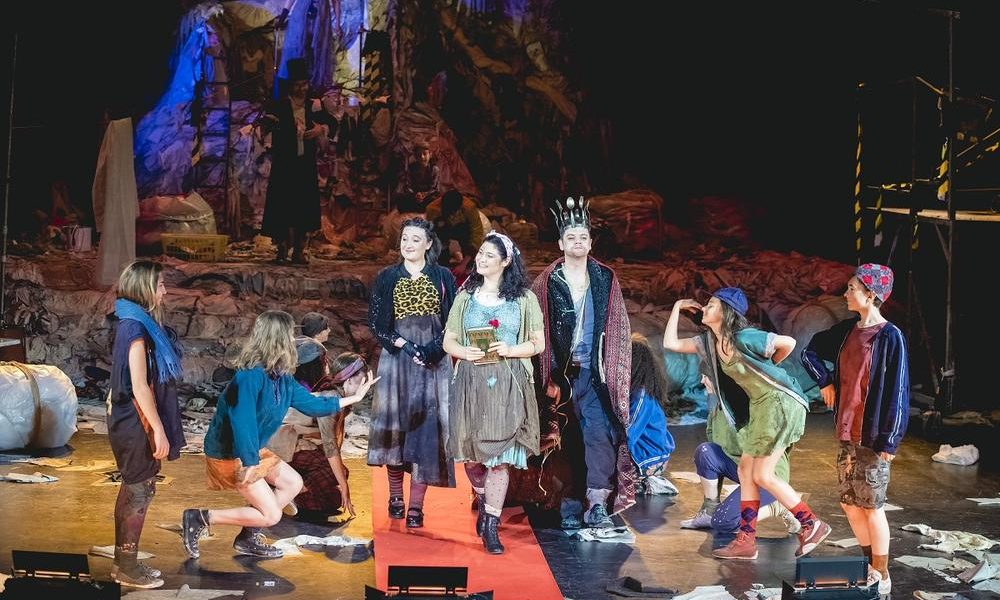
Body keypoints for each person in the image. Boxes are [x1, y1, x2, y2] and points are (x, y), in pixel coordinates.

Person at [180, 310, 377, 559]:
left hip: (252, 450)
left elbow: (313, 405)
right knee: (272, 516)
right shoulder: (249, 376)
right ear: (277, 339)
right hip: (231, 453)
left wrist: (355, 398)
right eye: (289, 336)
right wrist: (250, 462)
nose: (293, 342)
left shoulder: (282, 377)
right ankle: (200, 517)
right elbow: (242, 421)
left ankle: (247, 538)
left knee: (293, 483)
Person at [663, 288, 830, 560]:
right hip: (762, 405)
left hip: (780, 401)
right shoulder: (710, 343)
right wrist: (677, 306)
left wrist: (768, 366)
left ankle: (811, 523)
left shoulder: (744, 337)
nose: (705, 307)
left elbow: (787, 342)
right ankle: (746, 541)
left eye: (711, 304)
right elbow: (671, 343)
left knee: (763, 475)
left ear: (726, 312)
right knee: (745, 471)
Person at [801, 264, 908, 596]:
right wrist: (825, 381)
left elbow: (898, 391)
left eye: (851, 288)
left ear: (871, 294)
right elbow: (809, 352)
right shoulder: (847, 330)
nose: (845, 293)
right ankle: (869, 566)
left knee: (872, 505)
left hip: (872, 435)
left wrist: (890, 439)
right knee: (850, 503)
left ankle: (882, 573)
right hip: (847, 432)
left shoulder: (889, 336)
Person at [531, 197, 634, 529]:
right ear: (561, 244)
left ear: (590, 243)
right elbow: (536, 327)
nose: (577, 242)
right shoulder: (548, 281)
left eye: (583, 237)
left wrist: (613, 372)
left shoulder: (605, 278)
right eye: (571, 237)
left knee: (598, 433)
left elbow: (618, 325)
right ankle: (568, 500)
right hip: (559, 373)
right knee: (563, 437)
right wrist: (545, 375)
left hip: (593, 370)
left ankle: (597, 501)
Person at [444, 231, 545, 554]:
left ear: (506, 261)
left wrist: (511, 349)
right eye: (481, 253)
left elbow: (538, 343)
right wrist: (463, 351)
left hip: (508, 382)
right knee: (473, 460)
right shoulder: (465, 296)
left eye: (489, 255)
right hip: (471, 381)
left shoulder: (524, 299)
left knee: (500, 461)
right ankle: (482, 496)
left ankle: (491, 524)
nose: (481, 259)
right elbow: (448, 340)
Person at [367, 218, 457, 528]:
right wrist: (405, 345)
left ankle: (416, 506)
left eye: (416, 239)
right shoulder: (387, 277)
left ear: (428, 244)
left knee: (425, 433)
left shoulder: (442, 276)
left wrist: (432, 350)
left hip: (433, 363)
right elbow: (378, 324)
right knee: (396, 428)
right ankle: (395, 496)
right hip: (397, 362)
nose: (408, 244)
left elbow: (452, 320)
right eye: (405, 238)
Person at [107, 260, 185, 588]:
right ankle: (126, 567)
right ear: (144, 288)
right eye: (159, 285)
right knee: (139, 490)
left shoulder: (135, 321)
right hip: (134, 420)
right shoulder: (134, 327)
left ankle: (123, 562)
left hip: (131, 417)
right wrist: (158, 430)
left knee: (136, 488)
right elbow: (139, 386)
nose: (164, 291)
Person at [269, 343, 365, 522]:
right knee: (336, 472)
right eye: (362, 381)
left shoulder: (333, 393)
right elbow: (330, 446)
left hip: (295, 442)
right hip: (281, 444)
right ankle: (282, 492)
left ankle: (290, 493)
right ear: (349, 380)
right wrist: (344, 485)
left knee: (332, 500)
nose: (364, 387)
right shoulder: (331, 396)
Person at [260, 58, 327, 265]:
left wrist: (320, 129)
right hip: (285, 164)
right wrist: (271, 126)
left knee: (303, 208)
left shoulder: (313, 106)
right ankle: (282, 249)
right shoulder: (280, 106)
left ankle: (300, 250)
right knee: (283, 206)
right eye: (298, 85)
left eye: (304, 84)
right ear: (291, 86)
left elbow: (330, 123)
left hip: (305, 164)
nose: (302, 89)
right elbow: (266, 126)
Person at [627, 334, 675, 489]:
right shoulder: (642, 391)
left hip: (650, 459)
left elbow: (629, 433)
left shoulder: (641, 395)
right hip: (654, 454)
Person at [424, 190, 485, 273]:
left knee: (469, 264)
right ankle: (444, 257)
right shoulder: (432, 209)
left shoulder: (469, 208)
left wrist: (463, 264)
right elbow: (430, 234)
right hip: (445, 228)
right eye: (448, 212)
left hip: (467, 228)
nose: (451, 216)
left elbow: (476, 235)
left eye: (453, 212)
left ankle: (468, 262)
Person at [396, 140, 440, 213]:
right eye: (419, 155)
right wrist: (415, 194)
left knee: (435, 200)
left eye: (424, 154)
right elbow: (408, 185)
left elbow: (434, 188)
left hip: (427, 197)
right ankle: (418, 208)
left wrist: (424, 194)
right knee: (401, 199)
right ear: (415, 157)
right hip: (414, 196)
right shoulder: (411, 168)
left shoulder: (434, 169)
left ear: (430, 154)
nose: (422, 157)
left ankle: (420, 209)